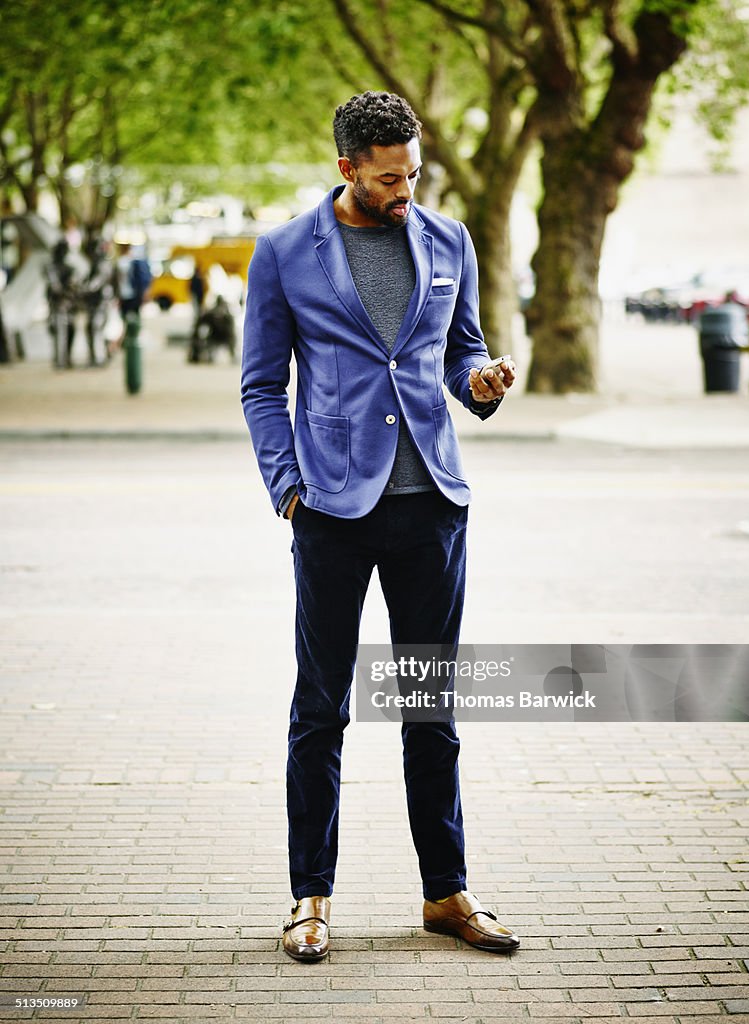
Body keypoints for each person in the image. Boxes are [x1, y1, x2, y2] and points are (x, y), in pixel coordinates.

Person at [241, 91, 519, 963]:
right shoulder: (285, 251)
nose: (407, 191)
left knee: (429, 711)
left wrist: (479, 381)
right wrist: (288, 488)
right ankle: (309, 899)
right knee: (321, 711)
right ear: (347, 168)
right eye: (390, 178)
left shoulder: (449, 241)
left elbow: (458, 350)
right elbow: (261, 385)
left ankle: (446, 893)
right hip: (331, 510)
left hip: (431, 508)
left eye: (414, 174)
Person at [44, 239, 80, 369]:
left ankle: (66, 358)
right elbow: (55, 287)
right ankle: (60, 360)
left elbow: (73, 284)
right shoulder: (51, 268)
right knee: (59, 331)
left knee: (70, 330)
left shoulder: (70, 268)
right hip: (57, 304)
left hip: (68, 304)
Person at [82, 237, 114, 366]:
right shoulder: (96, 265)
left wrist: (84, 288)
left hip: (101, 302)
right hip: (95, 302)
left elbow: (95, 284)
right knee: (92, 329)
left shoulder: (103, 265)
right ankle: (96, 356)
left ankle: (99, 357)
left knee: (96, 329)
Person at [113, 242, 152, 344]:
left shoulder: (130, 262)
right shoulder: (128, 262)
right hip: (128, 294)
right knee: (129, 318)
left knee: (129, 319)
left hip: (129, 294)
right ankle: (128, 339)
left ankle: (129, 339)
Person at [188, 294, 236, 363]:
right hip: (213, 337)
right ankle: (196, 355)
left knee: (232, 339)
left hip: (225, 338)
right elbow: (199, 324)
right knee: (198, 339)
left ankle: (232, 355)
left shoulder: (228, 316)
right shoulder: (210, 314)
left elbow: (231, 332)